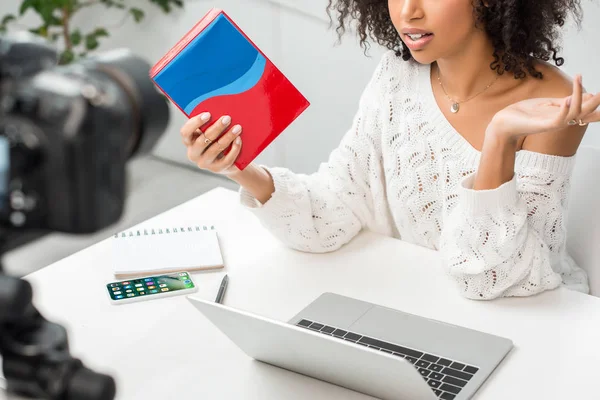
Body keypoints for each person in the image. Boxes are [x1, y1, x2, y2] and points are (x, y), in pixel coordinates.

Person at [180, 0, 600, 300]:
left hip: (533, 322)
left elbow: (495, 278)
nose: (407, 12)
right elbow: (333, 212)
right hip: (418, 304)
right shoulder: (397, 77)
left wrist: (500, 137)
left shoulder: (555, 103)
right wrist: (240, 168)